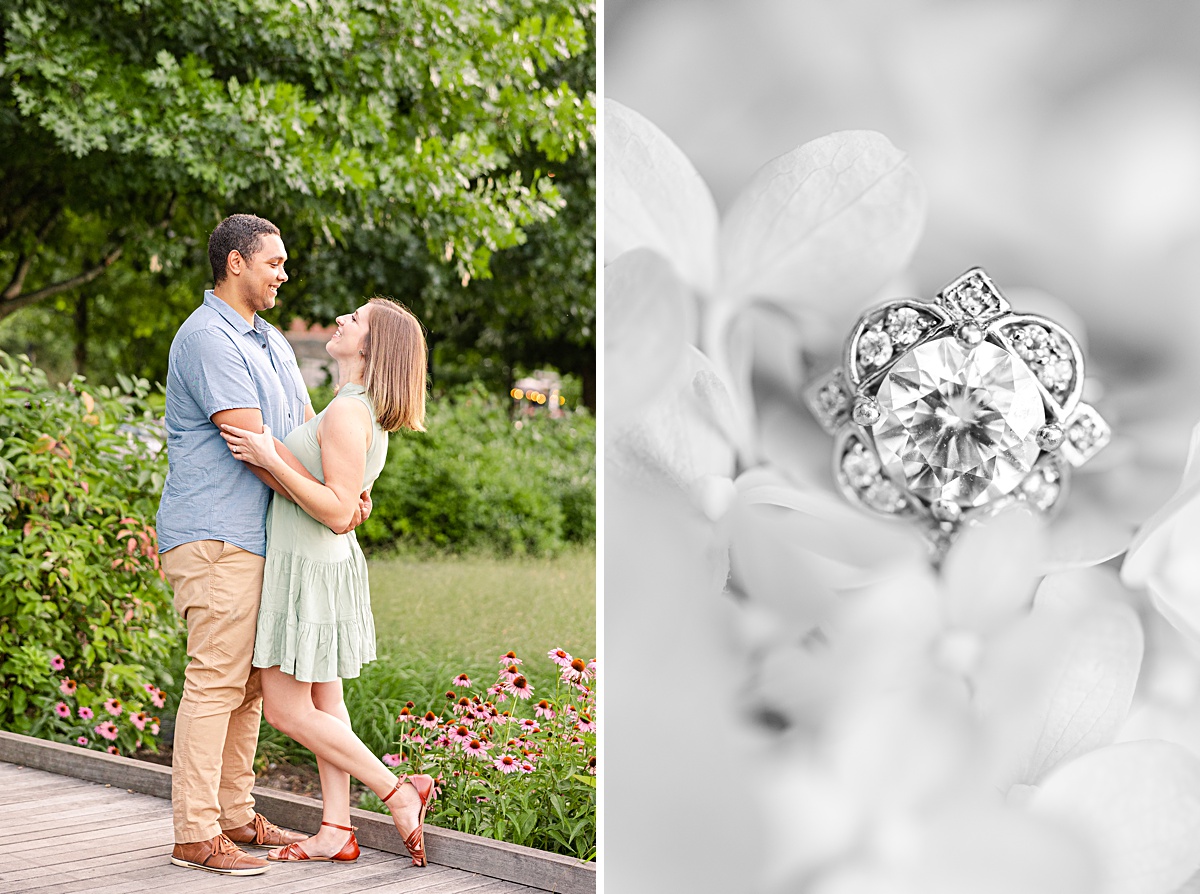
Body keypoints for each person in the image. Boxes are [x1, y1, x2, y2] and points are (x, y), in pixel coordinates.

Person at [218, 296, 436, 867]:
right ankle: (336, 828)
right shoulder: (349, 406)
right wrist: (284, 465)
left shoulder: (347, 412)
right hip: (321, 562)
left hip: (311, 566)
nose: (342, 319)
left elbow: (338, 510)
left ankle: (395, 791)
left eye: (356, 319)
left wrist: (270, 454)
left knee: (288, 711)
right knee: (326, 704)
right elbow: (341, 501)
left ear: (370, 346)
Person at [158, 213, 338, 875]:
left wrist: (346, 482)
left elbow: (301, 434)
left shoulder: (271, 342)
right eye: (274, 262)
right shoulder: (208, 337)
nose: (283, 274)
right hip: (215, 535)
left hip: (262, 539)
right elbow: (253, 448)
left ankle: (233, 813)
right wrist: (328, 505)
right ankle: (195, 834)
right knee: (216, 681)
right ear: (236, 263)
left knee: (253, 687)